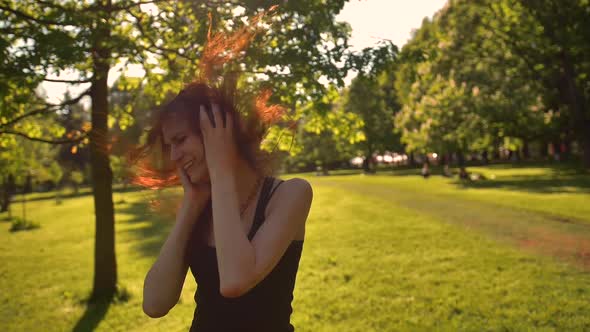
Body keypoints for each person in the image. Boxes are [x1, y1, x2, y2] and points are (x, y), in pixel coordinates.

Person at [133, 10, 313, 331]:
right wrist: (190, 206)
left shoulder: (290, 195)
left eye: (180, 140)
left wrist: (221, 171)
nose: (174, 156)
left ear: (217, 131)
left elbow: (235, 281)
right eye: (169, 145)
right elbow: (155, 304)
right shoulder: (201, 206)